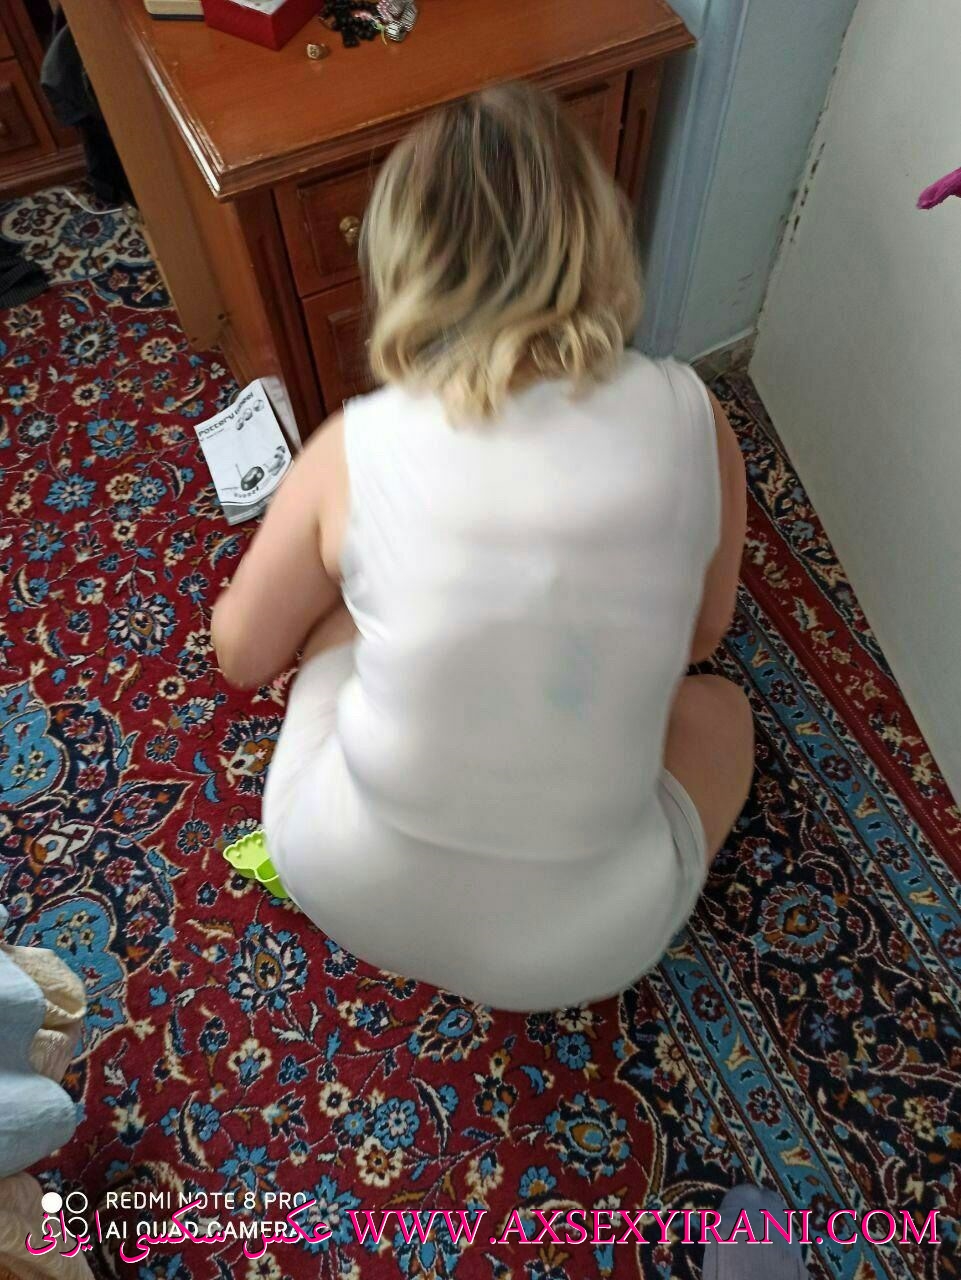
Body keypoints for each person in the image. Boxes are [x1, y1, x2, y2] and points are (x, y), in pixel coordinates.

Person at [211, 82, 754, 1011]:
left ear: (400, 266)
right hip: (589, 947)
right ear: (596, 243)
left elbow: (242, 655)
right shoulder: (690, 414)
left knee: (337, 619)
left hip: (349, 885)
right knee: (723, 711)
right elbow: (702, 637)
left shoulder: (354, 443)